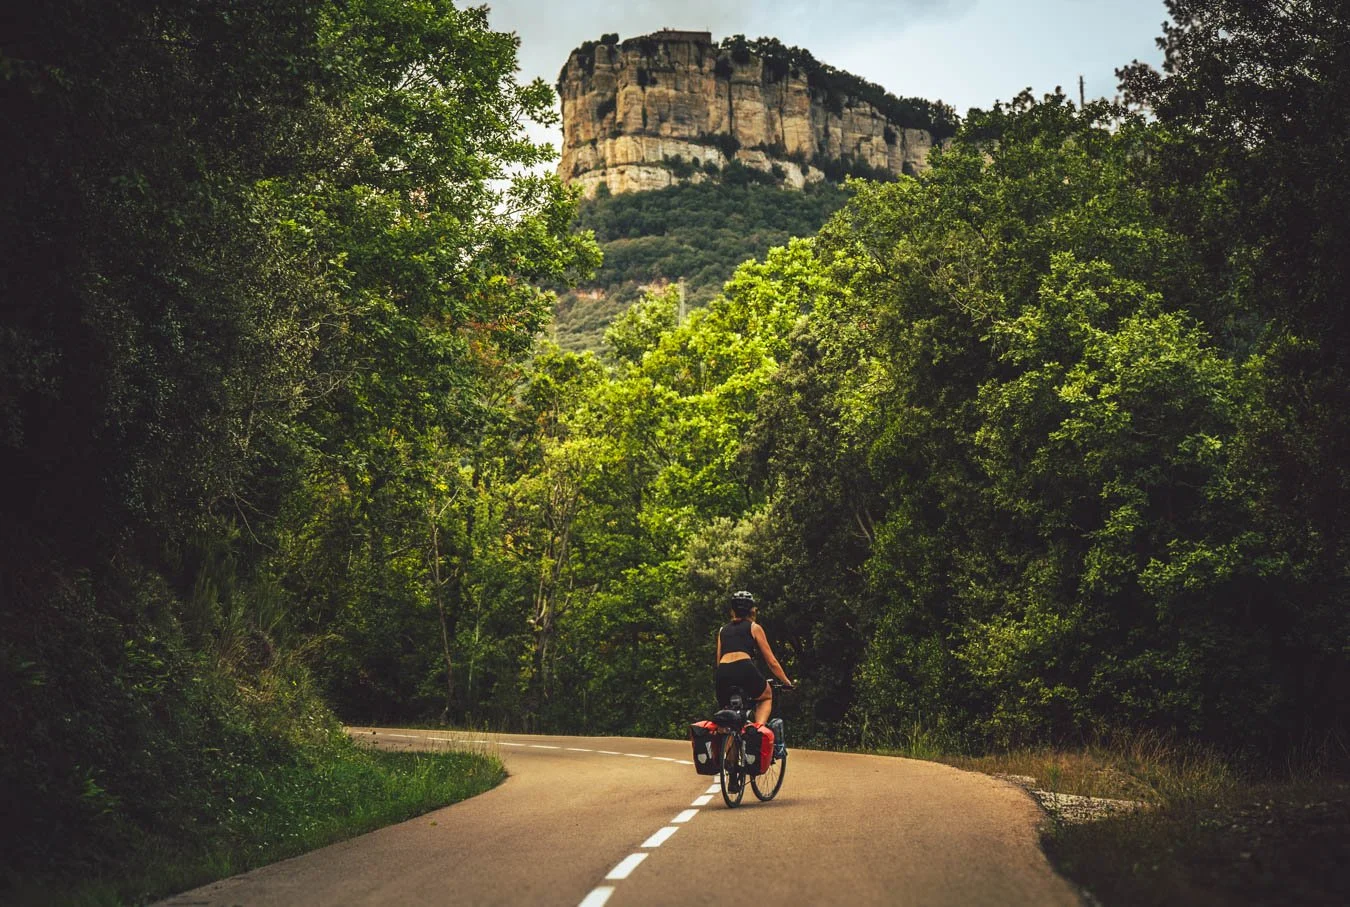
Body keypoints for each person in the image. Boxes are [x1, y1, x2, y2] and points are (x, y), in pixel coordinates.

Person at [715, 590, 793, 727]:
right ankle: (757, 730)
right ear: (752, 609)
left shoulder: (723, 630)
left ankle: (726, 742)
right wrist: (786, 682)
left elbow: (718, 660)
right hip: (744, 667)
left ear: (732, 610)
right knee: (766, 696)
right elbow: (771, 661)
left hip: (723, 671)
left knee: (725, 714)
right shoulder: (754, 627)